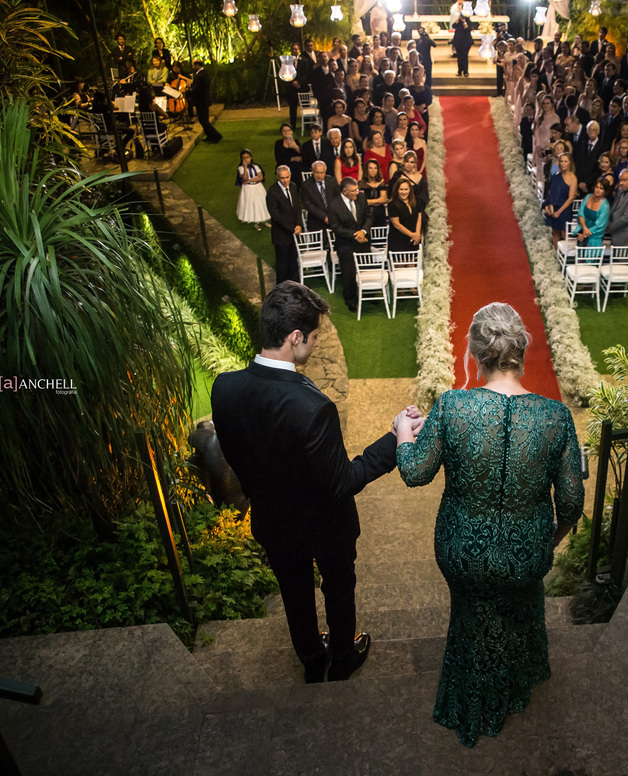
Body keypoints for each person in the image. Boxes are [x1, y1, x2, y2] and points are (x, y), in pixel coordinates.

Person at [212, 282, 422, 685]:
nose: (316, 343)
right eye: (313, 337)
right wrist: (397, 437)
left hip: (273, 520)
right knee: (338, 587)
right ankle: (341, 657)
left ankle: (311, 658)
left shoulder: (225, 388)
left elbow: (239, 460)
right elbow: (342, 482)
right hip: (327, 524)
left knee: (294, 592)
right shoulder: (312, 408)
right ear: (294, 338)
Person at [394, 302, 584, 747]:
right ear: (520, 351)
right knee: (517, 601)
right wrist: (546, 543)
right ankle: (518, 679)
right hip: (528, 555)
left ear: (476, 354)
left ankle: (473, 696)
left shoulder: (452, 406)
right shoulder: (555, 417)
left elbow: (414, 472)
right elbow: (572, 503)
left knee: (473, 612)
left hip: (462, 552)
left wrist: (404, 430)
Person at [327, 178, 373, 312]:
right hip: (346, 243)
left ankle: (369, 294)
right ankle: (351, 299)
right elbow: (336, 228)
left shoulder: (361, 198)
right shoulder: (334, 205)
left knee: (366, 267)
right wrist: (355, 235)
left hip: (363, 240)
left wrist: (363, 232)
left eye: (357, 189)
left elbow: (368, 217)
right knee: (349, 273)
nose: (357, 193)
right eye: (353, 191)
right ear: (344, 191)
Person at [266, 166, 302, 284]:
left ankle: (294, 287)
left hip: (294, 233)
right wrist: (292, 228)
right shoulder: (272, 192)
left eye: (287, 177)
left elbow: (297, 207)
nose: (285, 180)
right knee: (282, 266)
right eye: (282, 178)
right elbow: (276, 216)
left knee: (293, 263)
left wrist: (299, 224)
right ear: (277, 177)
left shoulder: (293, 187)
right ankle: (282, 290)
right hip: (281, 236)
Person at [299, 160, 337, 237]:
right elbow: (308, 204)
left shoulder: (332, 181)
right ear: (312, 171)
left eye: (321, 172)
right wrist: (324, 217)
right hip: (316, 219)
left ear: (325, 172)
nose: (319, 175)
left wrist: (332, 215)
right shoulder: (306, 185)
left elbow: (338, 198)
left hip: (333, 216)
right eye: (317, 172)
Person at [237, 149, 270, 231]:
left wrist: (249, 180)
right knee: (252, 204)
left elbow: (261, 177)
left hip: (258, 187)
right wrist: (245, 167)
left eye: (247, 157)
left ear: (251, 157)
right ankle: (256, 222)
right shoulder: (240, 168)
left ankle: (264, 220)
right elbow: (245, 177)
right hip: (248, 189)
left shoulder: (256, 166)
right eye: (243, 158)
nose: (246, 159)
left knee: (261, 203)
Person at [387, 177, 422, 253]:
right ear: (397, 190)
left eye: (406, 189)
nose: (403, 192)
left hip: (413, 239)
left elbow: (419, 217)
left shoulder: (416, 201)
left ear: (410, 190)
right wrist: (412, 235)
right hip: (398, 240)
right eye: (401, 189)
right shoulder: (392, 204)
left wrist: (417, 235)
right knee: (400, 264)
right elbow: (396, 224)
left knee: (412, 264)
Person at [190, 60, 222, 143]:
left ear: (197, 65)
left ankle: (216, 135)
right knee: (204, 120)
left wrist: (187, 92)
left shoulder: (200, 75)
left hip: (201, 101)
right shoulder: (203, 74)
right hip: (203, 100)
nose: (192, 67)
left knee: (203, 120)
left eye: (193, 65)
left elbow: (196, 89)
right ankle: (209, 135)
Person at [577, 176, 611, 247]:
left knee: (590, 257)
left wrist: (584, 235)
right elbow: (581, 213)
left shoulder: (605, 206)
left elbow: (599, 226)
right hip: (583, 230)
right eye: (597, 187)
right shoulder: (588, 197)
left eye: (601, 188)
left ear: (605, 191)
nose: (598, 190)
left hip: (594, 237)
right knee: (580, 256)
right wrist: (584, 228)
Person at [360, 158, 389, 225]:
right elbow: (362, 201)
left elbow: (384, 199)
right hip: (366, 213)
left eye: (375, 168)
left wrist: (369, 202)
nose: (373, 171)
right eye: (370, 168)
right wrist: (378, 201)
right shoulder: (362, 183)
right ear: (367, 169)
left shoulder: (381, 182)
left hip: (380, 212)